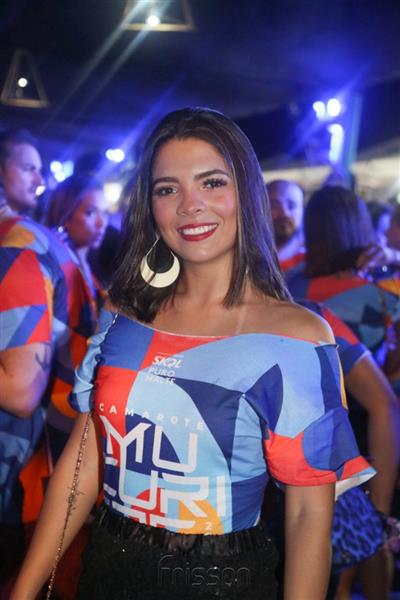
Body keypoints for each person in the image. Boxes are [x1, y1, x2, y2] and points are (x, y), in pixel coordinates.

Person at [12, 108, 373, 600]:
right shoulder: (124, 311)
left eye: (212, 182)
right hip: (107, 569)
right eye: (167, 189)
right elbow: (86, 456)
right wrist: (24, 590)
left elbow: (309, 515)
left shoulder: (296, 337)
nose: (189, 206)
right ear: (150, 206)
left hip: (222, 579)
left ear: (246, 193)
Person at [289, 185, 400, 599]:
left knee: (334, 550)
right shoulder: (386, 289)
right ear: (360, 226)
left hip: (322, 439)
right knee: (372, 541)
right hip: (378, 430)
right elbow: (386, 397)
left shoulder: (294, 291)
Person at [0, 129, 96, 598]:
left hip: (21, 482)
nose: (39, 179)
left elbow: (20, 390)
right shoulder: (26, 240)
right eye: (28, 166)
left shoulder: (16, 247)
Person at [45, 174, 109, 305]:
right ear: (65, 215)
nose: (102, 223)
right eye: (90, 212)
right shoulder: (53, 267)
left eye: (104, 213)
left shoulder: (94, 266)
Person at [266, 179, 305, 280]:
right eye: (274, 206)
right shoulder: (247, 263)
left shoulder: (312, 262)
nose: (285, 213)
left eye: (291, 205)